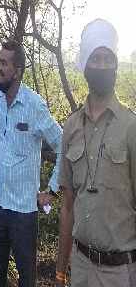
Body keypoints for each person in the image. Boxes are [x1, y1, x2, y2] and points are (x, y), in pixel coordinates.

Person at [55, 19, 136, 286]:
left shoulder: (131, 127)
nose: (102, 65)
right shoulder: (71, 127)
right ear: (85, 66)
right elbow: (67, 206)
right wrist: (59, 271)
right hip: (80, 268)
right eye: (95, 59)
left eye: (107, 59)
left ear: (115, 64)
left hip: (121, 273)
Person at [0, 39, 63, 287]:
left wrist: (51, 191)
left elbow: (64, 146)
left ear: (17, 71)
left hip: (23, 214)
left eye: (4, 63)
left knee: (27, 280)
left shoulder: (35, 105)